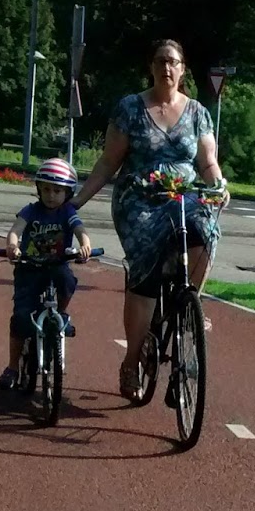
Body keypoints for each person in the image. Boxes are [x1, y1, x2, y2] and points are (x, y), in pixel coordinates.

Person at [73, 39, 229, 399]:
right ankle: (132, 361)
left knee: (207, 230)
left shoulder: (197, 113)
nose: (166, 68)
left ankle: (189, 305)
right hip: (139, 199)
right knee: (146, 261)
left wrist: (218, 186)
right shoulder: (130, 108)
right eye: (160, 61)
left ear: (182, 69)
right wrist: (78, 200)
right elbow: (109, 162)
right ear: (151, 67)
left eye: (173, 62)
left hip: (184, 196)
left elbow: (207, 162)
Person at [0, 158, 92, 391]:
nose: (51, 195)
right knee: (21, 317)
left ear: (68, 193)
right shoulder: (30, 211)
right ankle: (12, 367)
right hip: (29, 267)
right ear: (39, 189)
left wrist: (85, 245)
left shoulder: (67, 212)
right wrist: (12, 246)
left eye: (57, 191)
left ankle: (61, 313)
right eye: (46, 189)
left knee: (67, 280)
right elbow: (15, 230)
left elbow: (79, 229)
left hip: (56, 264)